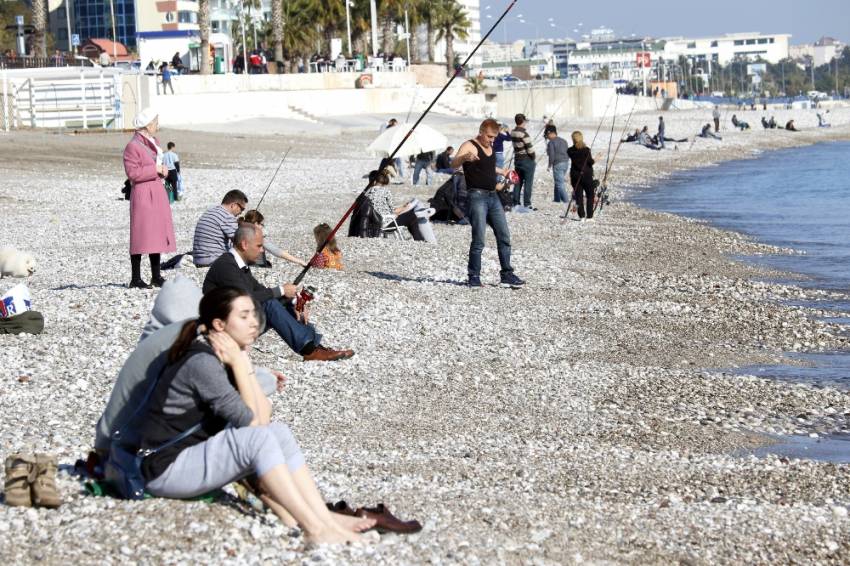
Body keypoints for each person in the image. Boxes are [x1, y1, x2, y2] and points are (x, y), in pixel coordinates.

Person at [137, 287, 373, 544]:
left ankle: (324, 520)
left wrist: (243, 361)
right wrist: (240, 363)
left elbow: (265, 416)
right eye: (244, 316)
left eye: (253, 314)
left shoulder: (223, 353)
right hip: (163, 469)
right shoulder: (202, 363)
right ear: (219, 324)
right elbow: (255, 425)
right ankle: (314, 528)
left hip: (189, 457)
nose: (255, 323)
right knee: (257, 439)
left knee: (279, 433)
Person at [203, 223, 353, 361]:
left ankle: (313, 346)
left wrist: (294, 301)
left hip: (237, 320)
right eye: (259, 245)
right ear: (244, 244)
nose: (262, 250)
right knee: (269, 303)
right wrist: (281, 290)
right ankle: (309, 350)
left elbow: (259, 289)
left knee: (282, 300)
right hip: (222, 330)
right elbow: (247, 298)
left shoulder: (238, 264)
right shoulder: (226, 266)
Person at [453, 118, 525, 288]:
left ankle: (507, 274)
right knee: (479, 238)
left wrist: (504, 171)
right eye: (490, 137)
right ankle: (474, 276)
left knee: (504, 236)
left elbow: (487, 167)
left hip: (493, 196)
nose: (492, 140)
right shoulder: (469, 145)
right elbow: (453, 164)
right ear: (481, 132)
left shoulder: (490, 145)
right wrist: (464, 157)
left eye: (494, 137)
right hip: (476, 196)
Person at [123, 108, 176, 289]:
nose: (157, 125)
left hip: (156, 190)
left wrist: (163, 171)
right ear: (147, 124)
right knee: (140, 234)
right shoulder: (133, 146)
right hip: (143, 193)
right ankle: (135, 278)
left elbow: (155, 165)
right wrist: (155, 169)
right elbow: (133, 173)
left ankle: (156, 275)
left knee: (156, 233)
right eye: (155, 122)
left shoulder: (153, 142)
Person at [363, 170, 434, 242]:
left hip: (374, 223)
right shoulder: (385, 191)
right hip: (386, 223)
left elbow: (383, 208)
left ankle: (419, 235)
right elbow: (393, 211)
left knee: (409, 213)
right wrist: (405, 208)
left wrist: (403, 207)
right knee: (411, 216)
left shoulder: (366, 193)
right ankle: (419, 240)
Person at [192, 190, 248, 267]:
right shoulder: (227, 216)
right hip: (214, 261)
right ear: (234, 205)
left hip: (198, 260)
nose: (241, 212)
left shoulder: (210, 211)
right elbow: (240, 241)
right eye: (242, 209)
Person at [241, 210, 308, 267]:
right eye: (262, 224)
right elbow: (276, 250)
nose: (263, 227)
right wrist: (299, 261)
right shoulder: (255, 236)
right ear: (256, 224)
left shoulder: (239, 229)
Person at [566, 131, 600, 221]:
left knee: (579, 197)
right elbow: (590, 162)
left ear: (572, 139)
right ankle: (589, 216)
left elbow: (577, 158)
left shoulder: (569, 151)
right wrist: (597, 158)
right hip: (587, 176)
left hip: (575, 176)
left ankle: (581, 216)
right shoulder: (586, 150)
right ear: (581, 138)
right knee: (590, 196)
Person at [510, 114, 536, 211]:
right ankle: (527, 203)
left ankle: (515, 202)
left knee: (518, 182)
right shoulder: (524, 134)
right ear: (523, 122)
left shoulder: (512, 132)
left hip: (517, 159)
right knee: (528, 183)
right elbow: (530, 149)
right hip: (526, 160)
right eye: (525, 121)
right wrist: (533, 158)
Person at [545, 126, 570, 203]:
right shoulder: (564, 141)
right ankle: (557, 199)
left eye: (547, 135)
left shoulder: (551, 142)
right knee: (558, 181)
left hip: (558, 164)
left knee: (560, 184)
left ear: (551, 134)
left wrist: (549, 165)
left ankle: (566, 201)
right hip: (566, 163)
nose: (547, 137)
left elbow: (551, 155)